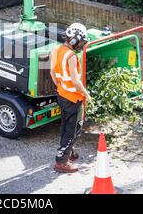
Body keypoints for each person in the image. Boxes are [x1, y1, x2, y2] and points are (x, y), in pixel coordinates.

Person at [50, 23, 92, 173]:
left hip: (62, 95)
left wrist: (61, 87)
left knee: (66, 126)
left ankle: (68, 153)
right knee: (73, 130)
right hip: (74, 99)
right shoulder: (72, 56)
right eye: (81, 42)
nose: (82, 45)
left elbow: (52, 74)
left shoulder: (56, 50)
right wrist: (87, 94)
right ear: (74, 40)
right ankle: (61, 162)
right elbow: (75, 81)